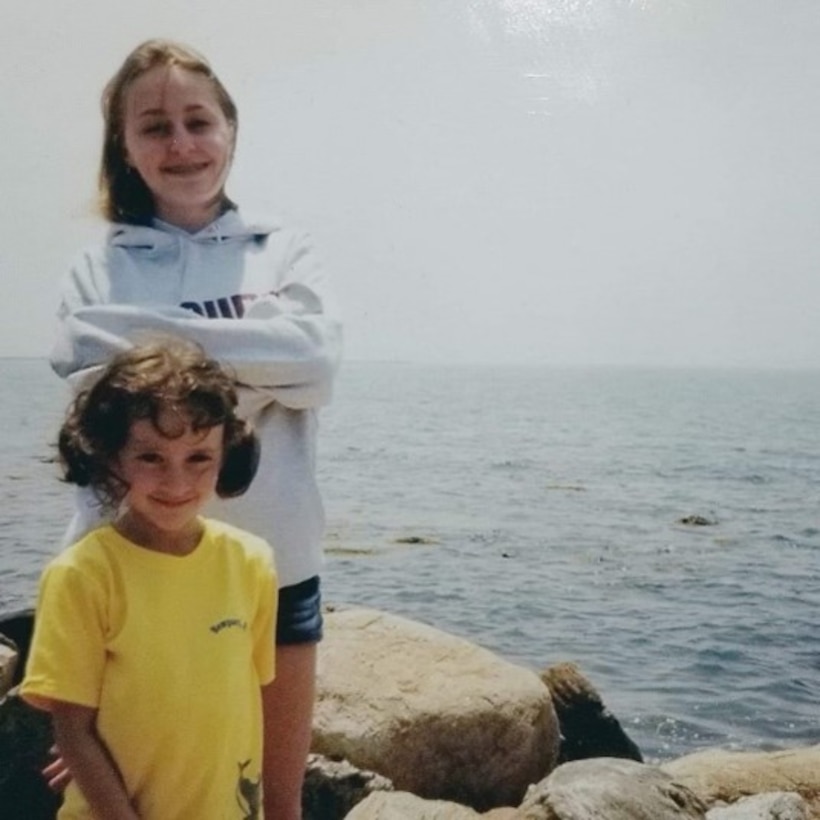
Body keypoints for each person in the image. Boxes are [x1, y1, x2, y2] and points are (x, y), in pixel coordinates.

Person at [47, 38, 342, 819]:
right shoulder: (98, 264)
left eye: (197, 120)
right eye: (154, 126)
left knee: (271, 802)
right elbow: (82, 365)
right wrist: (256, 354)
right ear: (126, 146)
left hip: (275, 566)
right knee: (134, 793)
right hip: (132, 572)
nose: (180, 143)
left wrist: (150, 342)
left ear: (230, 130)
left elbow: (314, 364)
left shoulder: (283, 249)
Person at [22, 339, 278, 819]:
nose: (176, 483)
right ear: (112, 457)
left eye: (198, 458)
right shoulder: (83, 576)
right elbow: (74, 733)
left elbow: (241, 705)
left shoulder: (252, 563)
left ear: (227, 453)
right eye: (151, 458)